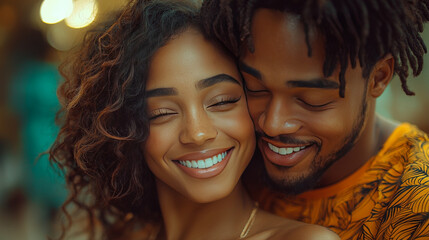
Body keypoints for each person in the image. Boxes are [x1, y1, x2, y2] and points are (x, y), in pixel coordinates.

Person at [49, 0, 339, 239]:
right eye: (161, 113)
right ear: (124, 130)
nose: (198, 133)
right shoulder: (118, 235)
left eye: (222, 102)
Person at [201, 0, 429, 239]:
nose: (272, 124)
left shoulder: (416, 200)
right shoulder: (232, 162)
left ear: (378, 78)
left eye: (312, 99)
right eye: (255, 88)